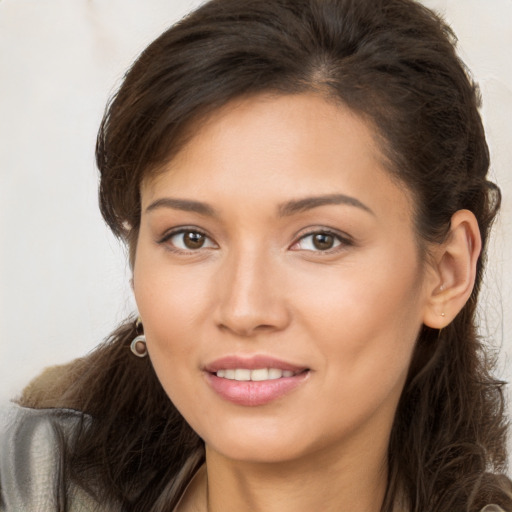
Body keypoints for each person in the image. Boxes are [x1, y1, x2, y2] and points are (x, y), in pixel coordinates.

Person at [1, 0, 511, 510]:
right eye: (190, 237)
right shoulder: (28, 484)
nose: (244, 310)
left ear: (447, 272)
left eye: (320, 239)